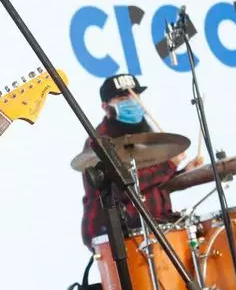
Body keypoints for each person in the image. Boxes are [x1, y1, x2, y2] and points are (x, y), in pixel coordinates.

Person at [80, 73, 202, 248]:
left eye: (135, 94)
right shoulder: (99, 141)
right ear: (105, 106)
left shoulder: (145, 133)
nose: (132, 100)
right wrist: (169, 165)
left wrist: (184, 172)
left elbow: (152, 185)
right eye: (123, 97)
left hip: (156, 225)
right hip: (117, 233)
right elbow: (120, 186)